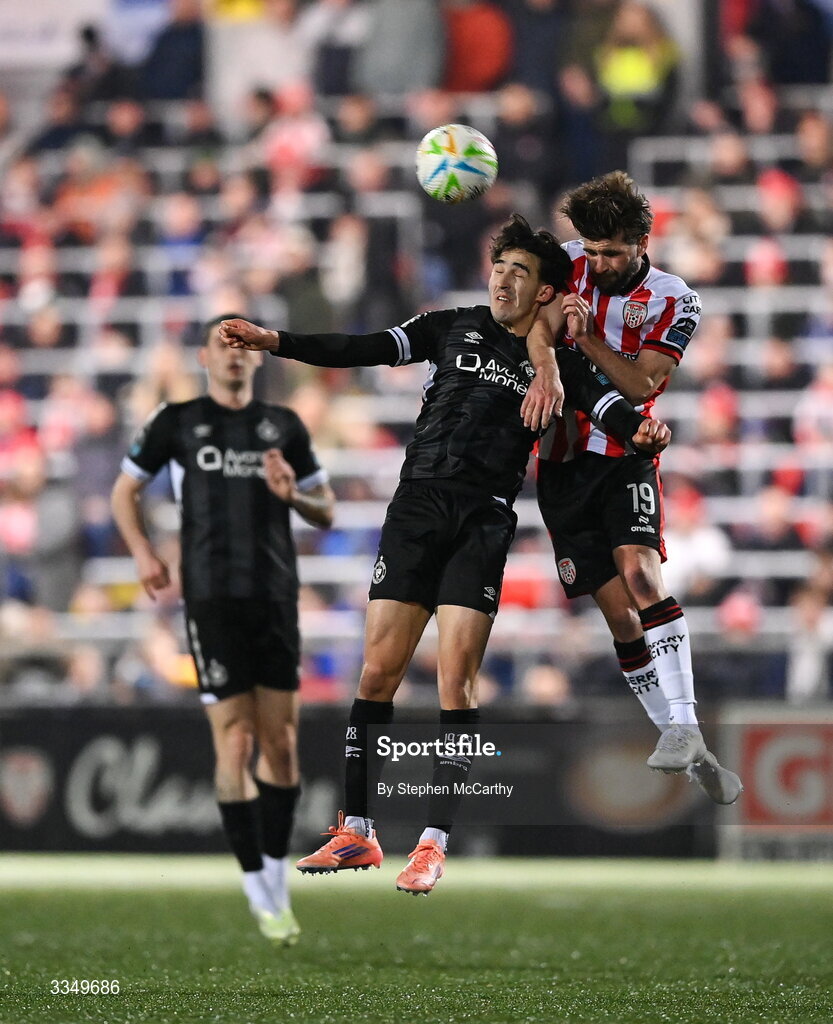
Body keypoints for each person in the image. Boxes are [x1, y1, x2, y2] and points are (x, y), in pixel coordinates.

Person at [219, 213, 670, 895]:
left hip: (482, 520)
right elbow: (360, 347)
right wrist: (274, 340)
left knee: (454, 682)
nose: (503, 280)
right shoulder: (448, 326)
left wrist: (642, 431)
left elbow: (611, 410)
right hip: (415, 508)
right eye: (499, 268)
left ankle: (432, 844)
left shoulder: (560, 364)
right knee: (377, 672)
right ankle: (357, 832)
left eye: (519, 272)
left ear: (546, 291)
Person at [111, 315, 335, 942]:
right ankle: (257, 885)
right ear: (203, 357)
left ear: (258, 360)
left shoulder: (284, 427)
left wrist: (294, 494)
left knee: (282, 745)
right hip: (210, 601)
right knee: (235, 743)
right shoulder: (176, 422)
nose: (234, 356)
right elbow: (123, 492)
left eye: (244, 347)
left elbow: (326, 510)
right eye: (223, 345)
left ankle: (275, 873)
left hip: (274, 598)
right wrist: (142, 554)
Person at [531, 171, 743, 804]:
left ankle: (685, 723)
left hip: (626, 452)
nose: (597, 264)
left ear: (643, 242)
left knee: (644, 578)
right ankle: (689, 750)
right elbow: (526, 326)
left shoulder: (675, 298)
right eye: (591, 250)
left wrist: (586, 337)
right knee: (620, 618)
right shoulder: (563, 266)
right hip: (563, 465)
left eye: (612, 252)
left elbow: (643, 386)